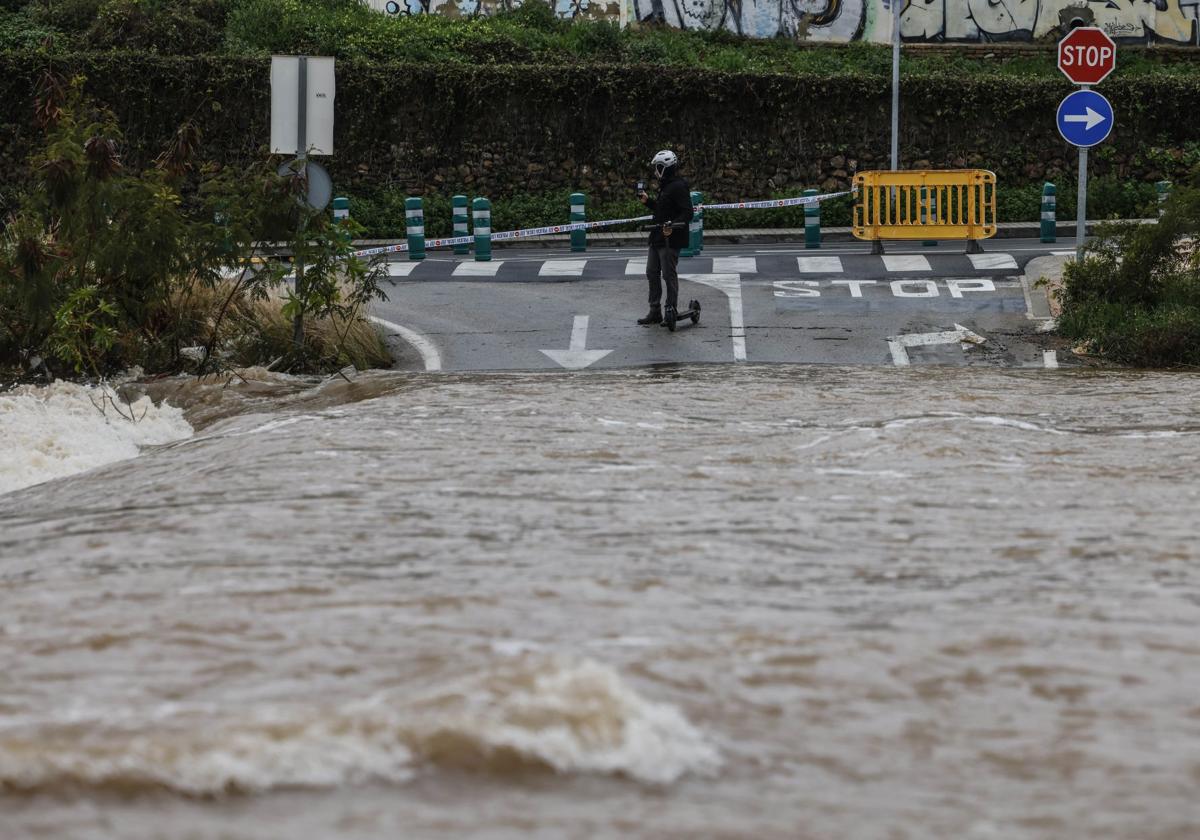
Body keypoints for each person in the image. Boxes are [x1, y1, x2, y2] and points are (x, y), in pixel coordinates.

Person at [637, 150, 693, 325]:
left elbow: (687, 212)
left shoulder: (678, 186)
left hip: (670, 239)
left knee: (668, 275)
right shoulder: (666, 186)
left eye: (657, 168)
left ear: (665, 168)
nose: (655, 172)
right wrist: (648, 202)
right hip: (657, 237)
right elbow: (662, 211)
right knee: (651, 272)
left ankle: (671, 308)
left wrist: (672, 225)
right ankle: (655, 311)